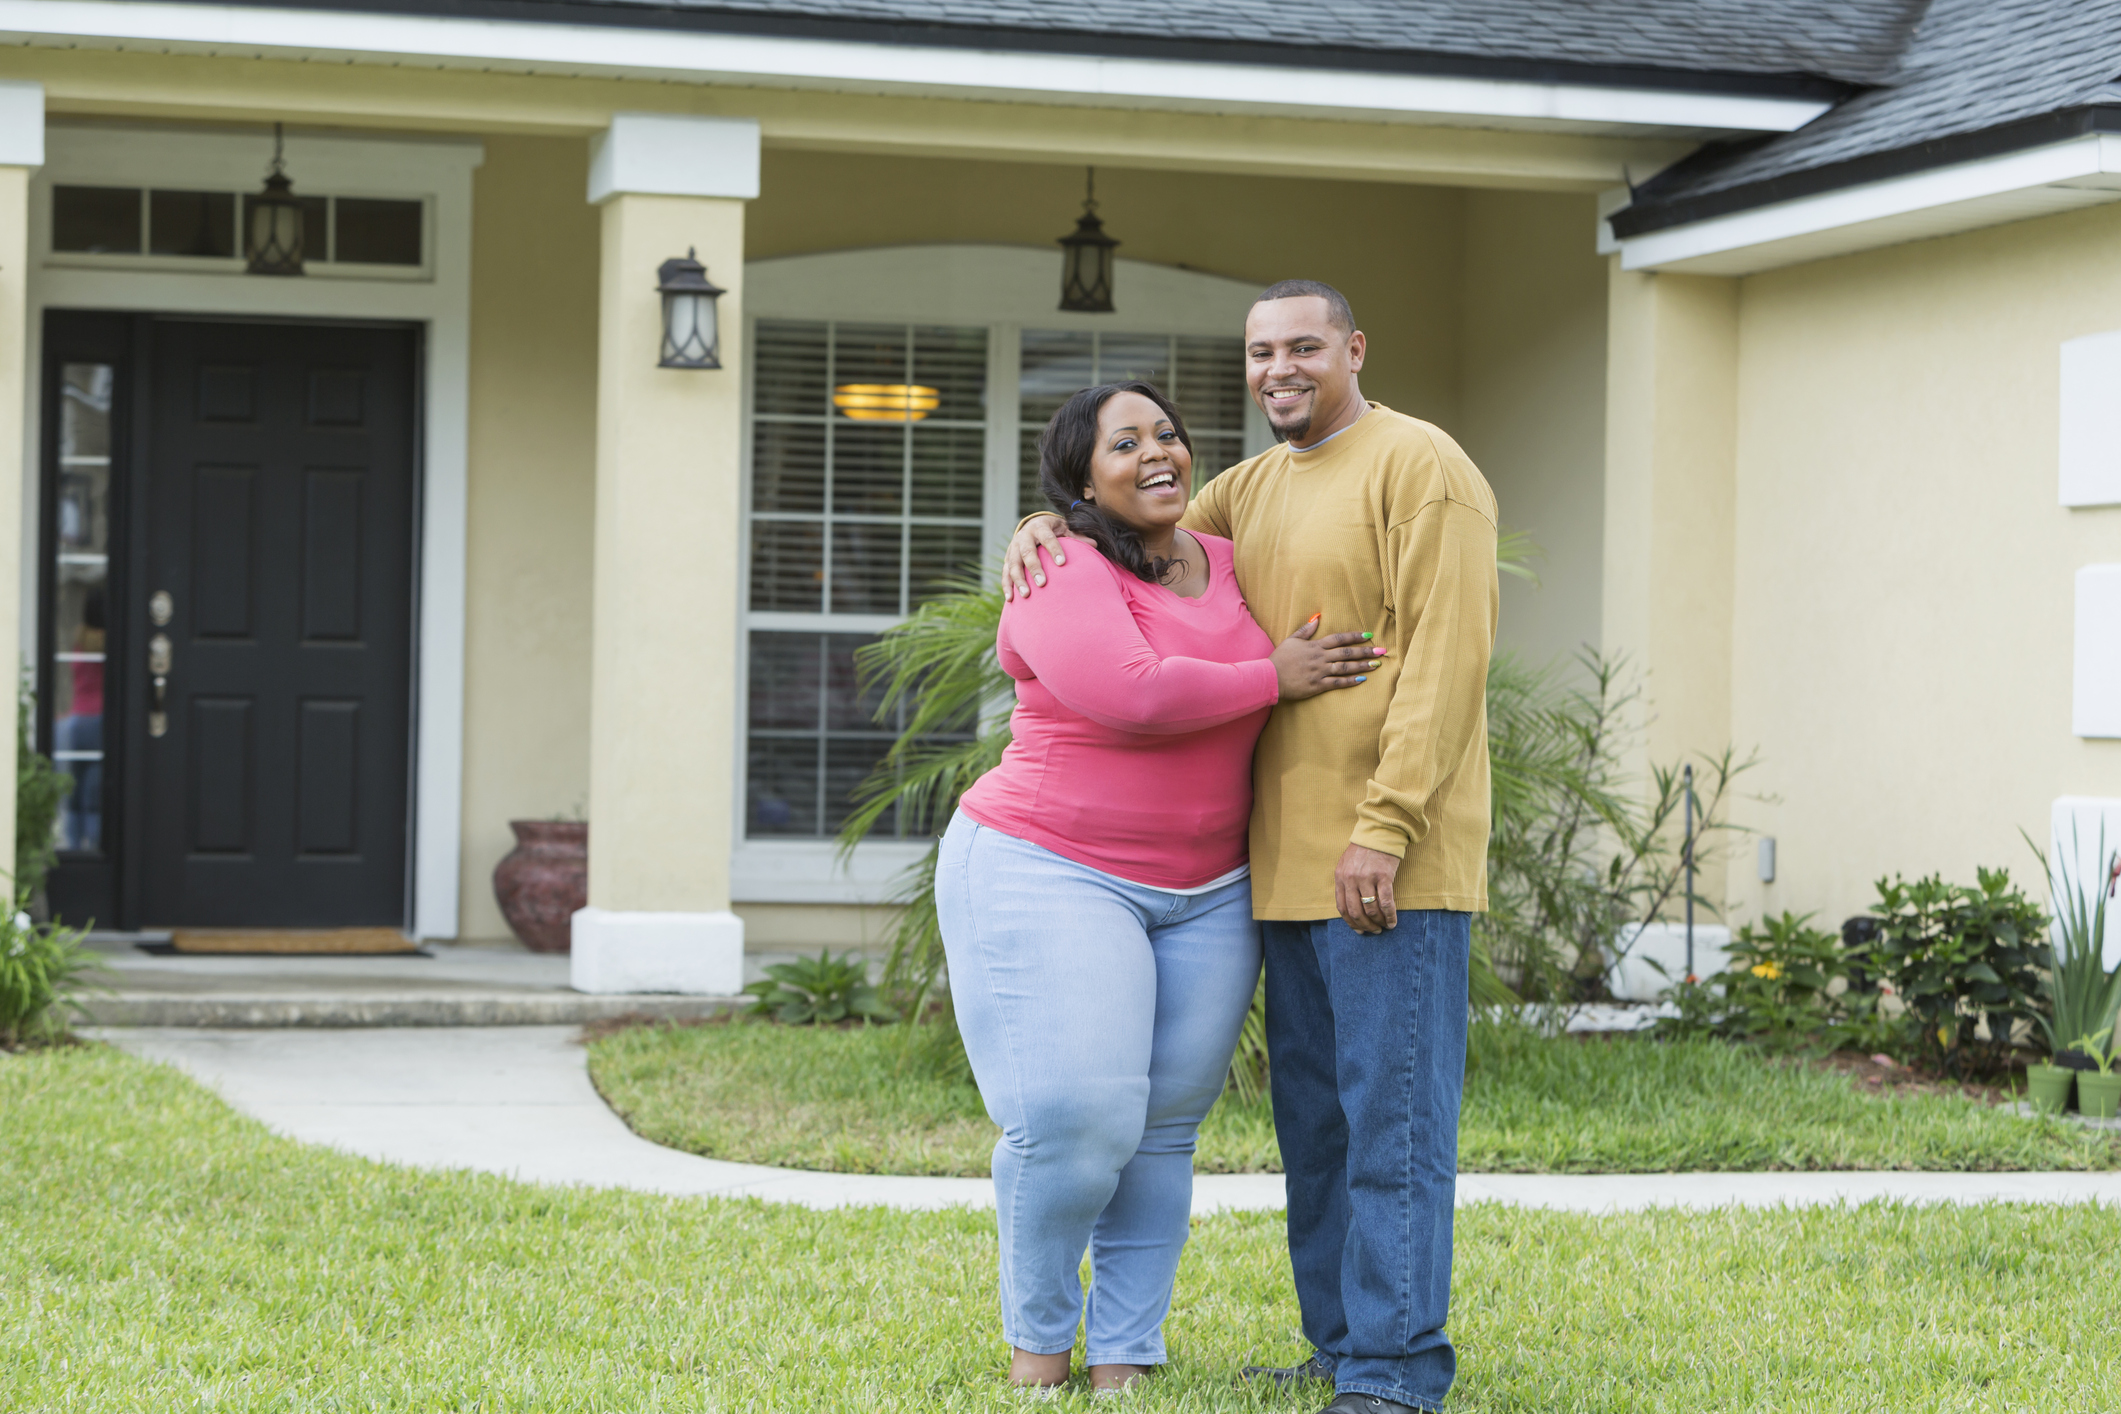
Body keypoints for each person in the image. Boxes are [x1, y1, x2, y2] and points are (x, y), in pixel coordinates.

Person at [1002, 282, 1499, 1414]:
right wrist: (1044, 527)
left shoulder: (1422, 469)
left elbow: (1445, 667)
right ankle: (1339, 1347)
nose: (1281, 367)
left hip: (1389, 865)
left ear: (1354, 349)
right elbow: (1133, 521)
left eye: (1305, 347)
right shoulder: (1250, 489)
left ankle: (1396, 1371)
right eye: (1260, 350)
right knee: (1317, 1129)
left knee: (1394, 1126)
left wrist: (1387, 826)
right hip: (1278, 871)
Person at [937, 379, 1383, 1394]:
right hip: (1049, 865)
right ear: (1078, 478)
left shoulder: (1226, 556)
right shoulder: (1063, 565)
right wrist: (1277, 674)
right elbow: (1130, 694)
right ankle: (1039, 1344)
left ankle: (1127, 1354)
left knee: (1164, 1129)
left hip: (1209, 888)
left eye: (1168, 434)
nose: (1157, 452)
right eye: (1123, 441)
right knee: (1074, 1120)